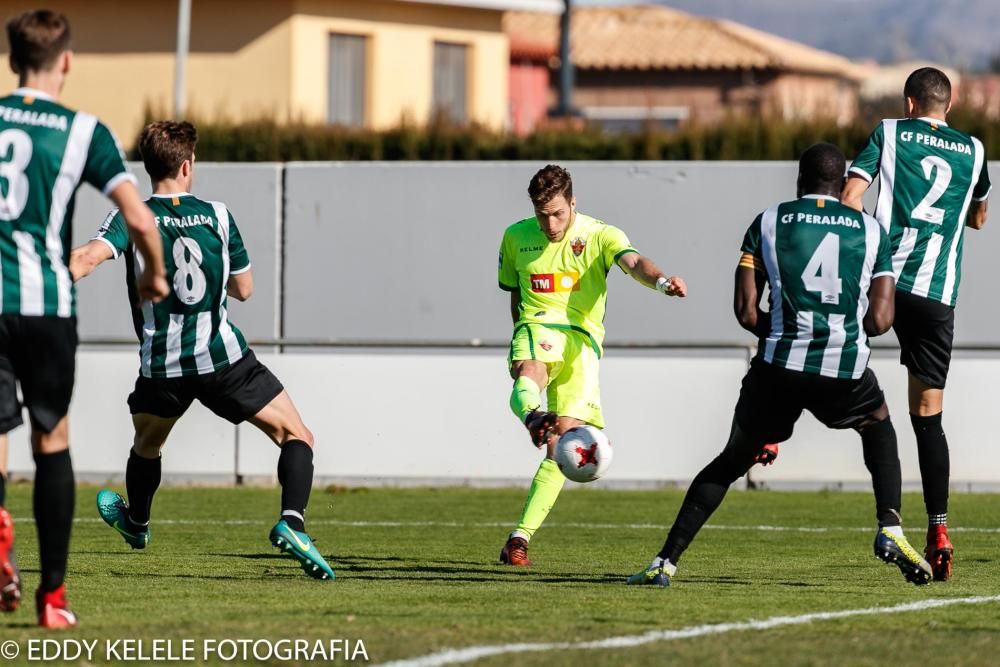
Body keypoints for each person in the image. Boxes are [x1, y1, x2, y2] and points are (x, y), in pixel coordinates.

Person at [627, 144, 932, 588]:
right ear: (841, 181)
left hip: (778, 367)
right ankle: (890, 527)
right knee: (877, 424)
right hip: (841, 366)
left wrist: (788, 329)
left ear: (799, 181)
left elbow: (746, 312)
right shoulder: (870, 231)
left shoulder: (769, 221)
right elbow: (882, 319)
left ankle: (664, 563)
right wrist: (837, 329)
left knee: (730, 461)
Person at [69, 121, 334, 581]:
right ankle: (292, 522)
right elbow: (246, 289)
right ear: (188, 166)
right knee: (297, 436)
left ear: (148, 168)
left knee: (146, 445)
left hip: (162, 365)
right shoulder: (218, 214)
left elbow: (88, 258)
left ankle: (137, 523)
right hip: (223, 360)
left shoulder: (134, 216)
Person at [0, 9, 168, 628]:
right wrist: (153, 272)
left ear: (13, 58)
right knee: (52, 439)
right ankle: (52, 598)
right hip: (45, 304)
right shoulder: (82, 131)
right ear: (65, 61)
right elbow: (140, 216)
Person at [496, 164, 687, 566]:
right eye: (541, 214)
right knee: (530, 371)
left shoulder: (601, 235)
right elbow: (514, 293)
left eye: (558, 213)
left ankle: (519, 538)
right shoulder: (515, 237)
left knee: (561, 447)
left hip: (583, 344)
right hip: (537, 325)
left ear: (573, 203)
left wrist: (662, 281)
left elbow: (634, 263)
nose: (549, 223)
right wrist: (520, 339)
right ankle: (533, 414)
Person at [842, 67, 990, 581]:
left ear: (909, 104)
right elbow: (978, 217)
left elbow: (850, 197)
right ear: (946, 106)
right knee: (928, 418)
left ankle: (767, 436)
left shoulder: (888, 132)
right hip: (936, 296)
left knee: (821, 355)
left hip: (883, 282)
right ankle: (940, 529)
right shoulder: (974, 151)